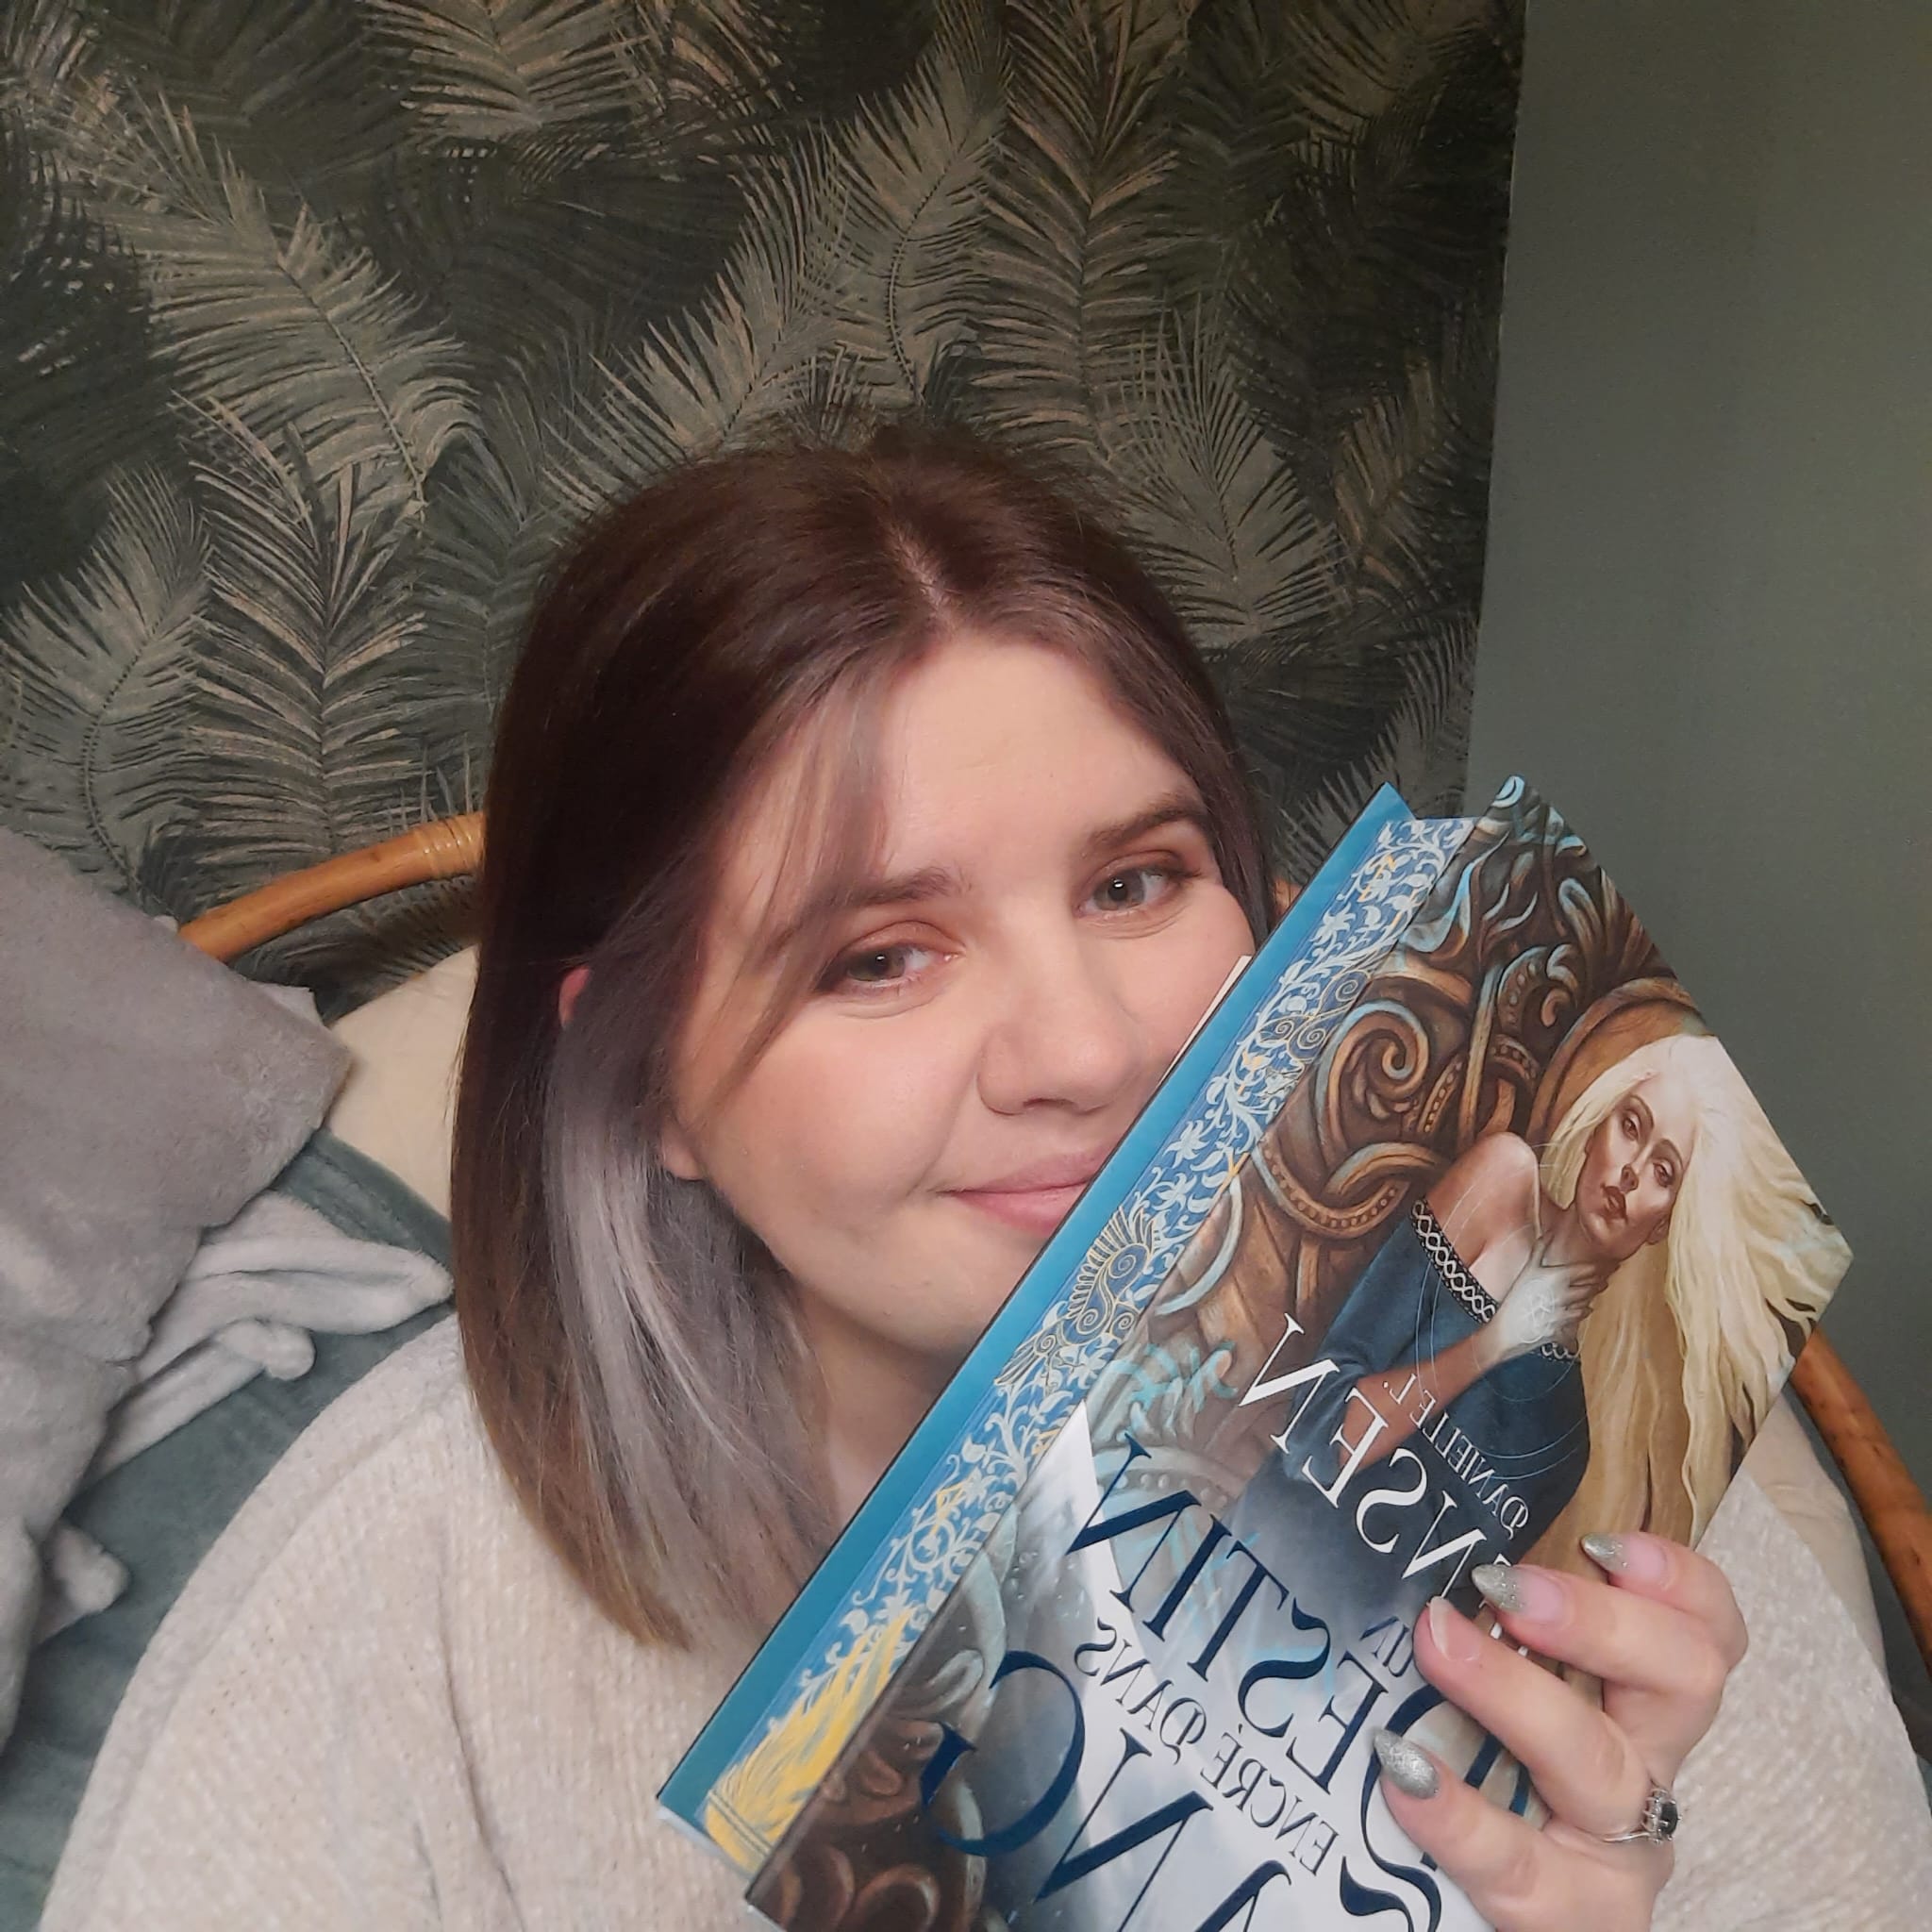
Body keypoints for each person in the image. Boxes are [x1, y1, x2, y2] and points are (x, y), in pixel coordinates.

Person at [44, 438, 1748, 1930]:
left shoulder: (1607, 1547)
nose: (1085, 1050)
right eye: (879, 957)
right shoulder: (385, 1604)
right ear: (646, 1082)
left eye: (1135, 883)